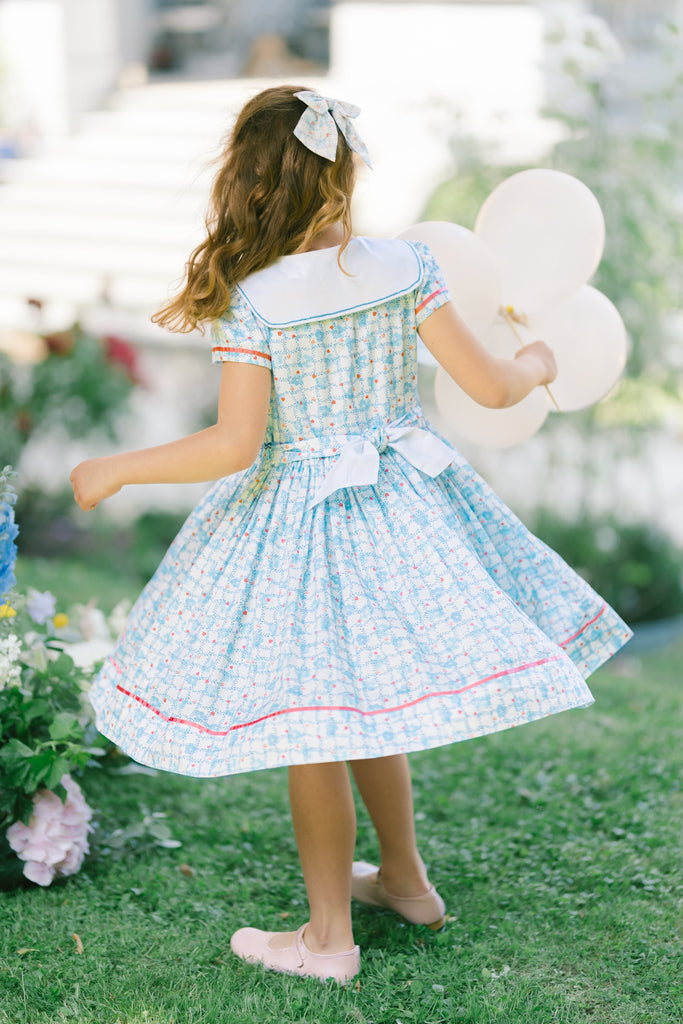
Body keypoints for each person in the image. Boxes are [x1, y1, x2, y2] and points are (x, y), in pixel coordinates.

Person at [70, 86, 633, 983]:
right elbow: (489, 389)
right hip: (402, 507)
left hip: (297, 526)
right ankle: (405, 881)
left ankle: (327, 938)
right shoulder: (407, 266)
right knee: (364, 697)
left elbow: (234, 445)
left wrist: (117, 467)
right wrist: (534, 361)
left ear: (250, 187)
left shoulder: (254, 301)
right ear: (345, 175)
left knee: (314, 724)